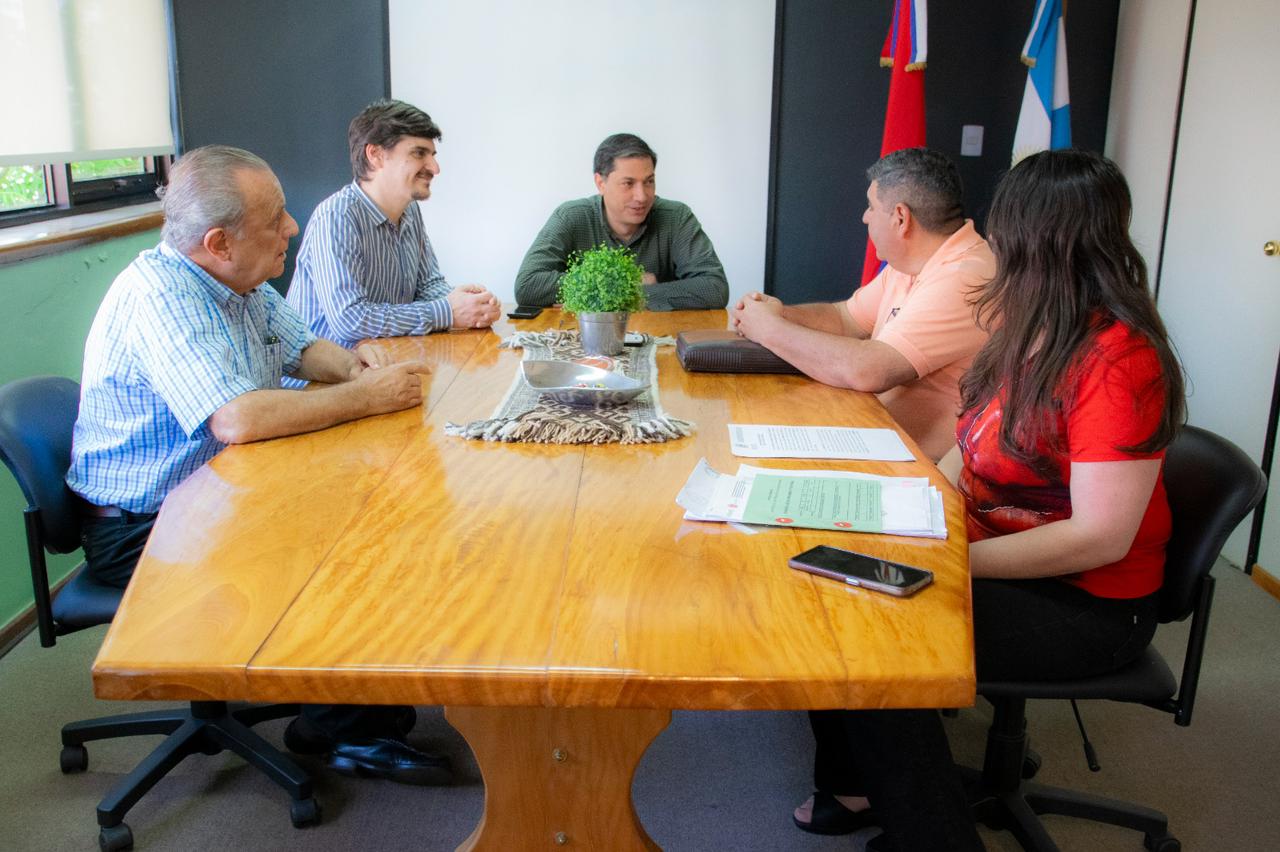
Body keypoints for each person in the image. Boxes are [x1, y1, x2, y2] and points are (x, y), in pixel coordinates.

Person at [793, 150, 1187, 851]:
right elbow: (969, 446)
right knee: (836, 574)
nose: (991, 248)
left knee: (877, 636)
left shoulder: (1118, 359)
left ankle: (935, 835)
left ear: (1037, 241)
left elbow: (1100, 537)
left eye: (1003, 235)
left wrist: (948, 562)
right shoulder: (1030, 326)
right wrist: (910, 514)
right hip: (991, 549)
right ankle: (863, 786)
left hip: (1086, 602)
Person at [67, 145, 452, 787]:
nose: (292, 228)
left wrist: (361, 373)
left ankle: (352, 698)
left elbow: (304, 347)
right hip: (143, 524)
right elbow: (236, 418)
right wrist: (363, 398)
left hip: (214, 488)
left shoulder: (237, 281)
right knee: (335, 547)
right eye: (274, 218)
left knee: (377, 505)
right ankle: (338, 733)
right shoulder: (160, 295)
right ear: (218, 241)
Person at [730, 147, 994, 461]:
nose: (864, 217)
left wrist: (769, 329)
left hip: (924, 469)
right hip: (876, 436)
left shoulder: (966, 276)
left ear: (900, 218)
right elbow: (845, 318)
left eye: (871, 207)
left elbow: (870, 370)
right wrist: (778, 313)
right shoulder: (910, 263)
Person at [287, 99, 501, 348]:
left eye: (432, 155)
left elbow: (428, 285)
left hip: (385, 363)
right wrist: (447, 311)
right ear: (376, 155)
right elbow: (349, 319)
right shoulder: (337, 216)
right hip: (323, 381)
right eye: (419, 153)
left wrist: (468, 304)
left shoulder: (410, 210)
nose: (435, 167)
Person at [514, 133, 729, 311]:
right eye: (628, 183)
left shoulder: (676, 217)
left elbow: (715, 289)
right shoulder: (571, 216)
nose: (642, 196)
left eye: (649, 182)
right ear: (601, 182)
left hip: (662, 342)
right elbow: (527, 286)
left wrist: (600, 297)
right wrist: (628, 285)